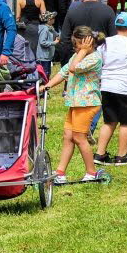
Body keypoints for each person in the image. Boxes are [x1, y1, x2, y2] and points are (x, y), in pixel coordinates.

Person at [40, 26, 104, 184]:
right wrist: (47, 86)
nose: (75, 48)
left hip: (87, 103)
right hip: (75, 103)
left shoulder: (94, 58)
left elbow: (74, 68)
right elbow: (64, 71)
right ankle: (60, 172)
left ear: (86, 44)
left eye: (76, 45)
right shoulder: (77, 55)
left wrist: (82, 51)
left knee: (79, 137)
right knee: (68, 137)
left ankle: (91, 172)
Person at [92, 14, 127, 166]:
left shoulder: (105, 42)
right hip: (126, 86)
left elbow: (99, 62)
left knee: (109, 121)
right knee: (126, 122)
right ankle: (122, 155)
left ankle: (100, 154)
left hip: (107, 85)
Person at [59, 0, 117, 64]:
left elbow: (65, 39)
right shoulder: (108, 10)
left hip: (78, 58)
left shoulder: (73, 11)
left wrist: (68, 61)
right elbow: (113, 38)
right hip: (100, 59)